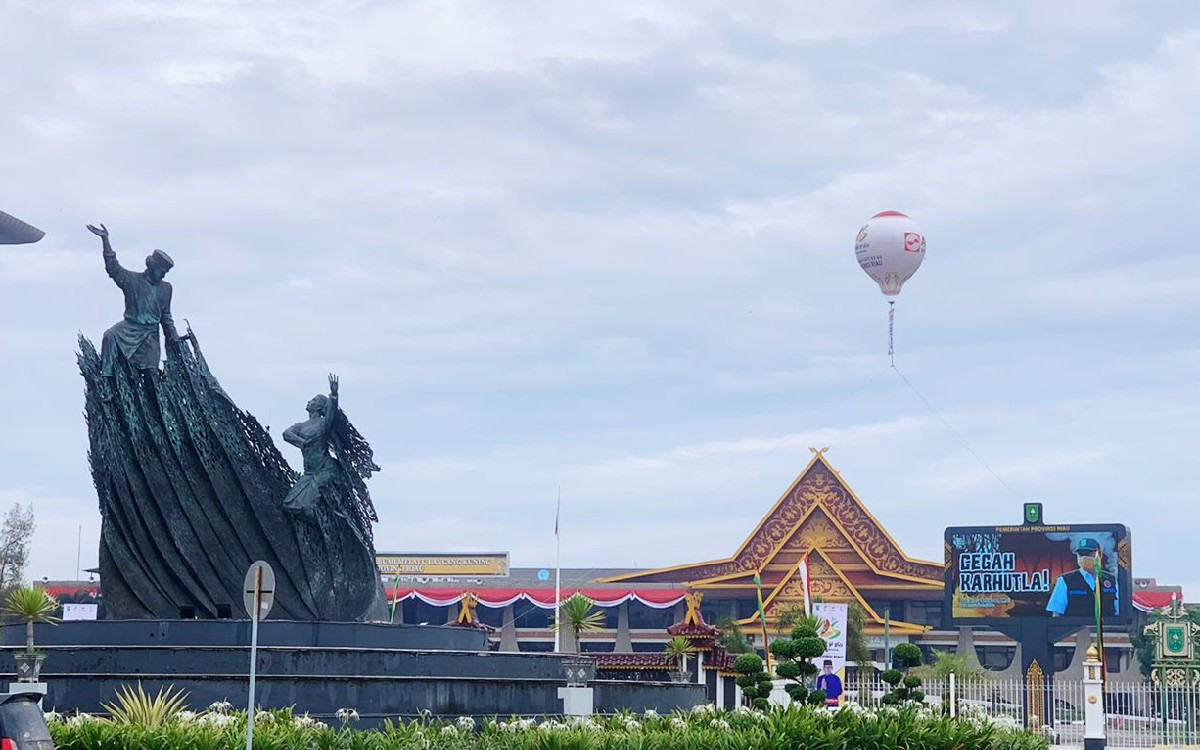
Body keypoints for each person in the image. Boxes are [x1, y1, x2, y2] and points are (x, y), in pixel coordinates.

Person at [281, 374, 380, 546]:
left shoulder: (323, 424)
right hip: (309, 472)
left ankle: (328, 523)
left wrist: (334, 395)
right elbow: (286, 434)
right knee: (289, 505)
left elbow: (332, 413)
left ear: (319, 407)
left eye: (313, 400)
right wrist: (302, 443)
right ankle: (322, 523)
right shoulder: (301, 426)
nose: (309, 401)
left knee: (306, 504)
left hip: (326, 470)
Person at [87, 223, 182, 377]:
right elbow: (113, 268)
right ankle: (107, 381)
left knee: (151, 376)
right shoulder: (132, 280)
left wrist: (174, 337)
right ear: (152, 266)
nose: (163, 275)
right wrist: (105, 240)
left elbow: (166, 318)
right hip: (129, 328)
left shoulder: (166, 288)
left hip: (150, 335)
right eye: (162, 271)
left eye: (166, 272)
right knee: (109, 336)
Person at [1046, 537, 1119, 617]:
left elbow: (1118, 610)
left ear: (1099, 555)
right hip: (1075, 628)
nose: (1084, 557)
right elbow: (1056, 613)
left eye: (1088, 553)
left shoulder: (1112, 580)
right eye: (1081, 554)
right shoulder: (1065, 580)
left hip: (1106, 628)